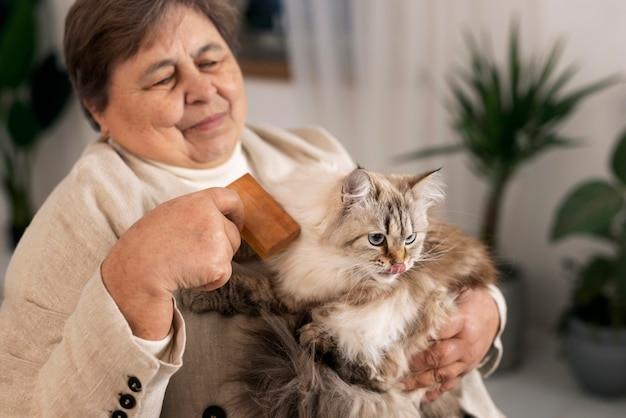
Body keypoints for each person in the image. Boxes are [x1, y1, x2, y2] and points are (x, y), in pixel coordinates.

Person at [0, 0, 506, 416]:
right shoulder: (77, 220)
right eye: (161, 78)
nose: (202, 91)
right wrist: (132, 285)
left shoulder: (310, 151)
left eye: (211, 60)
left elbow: (422, 256)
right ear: (97, 108)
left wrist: (488, 312)